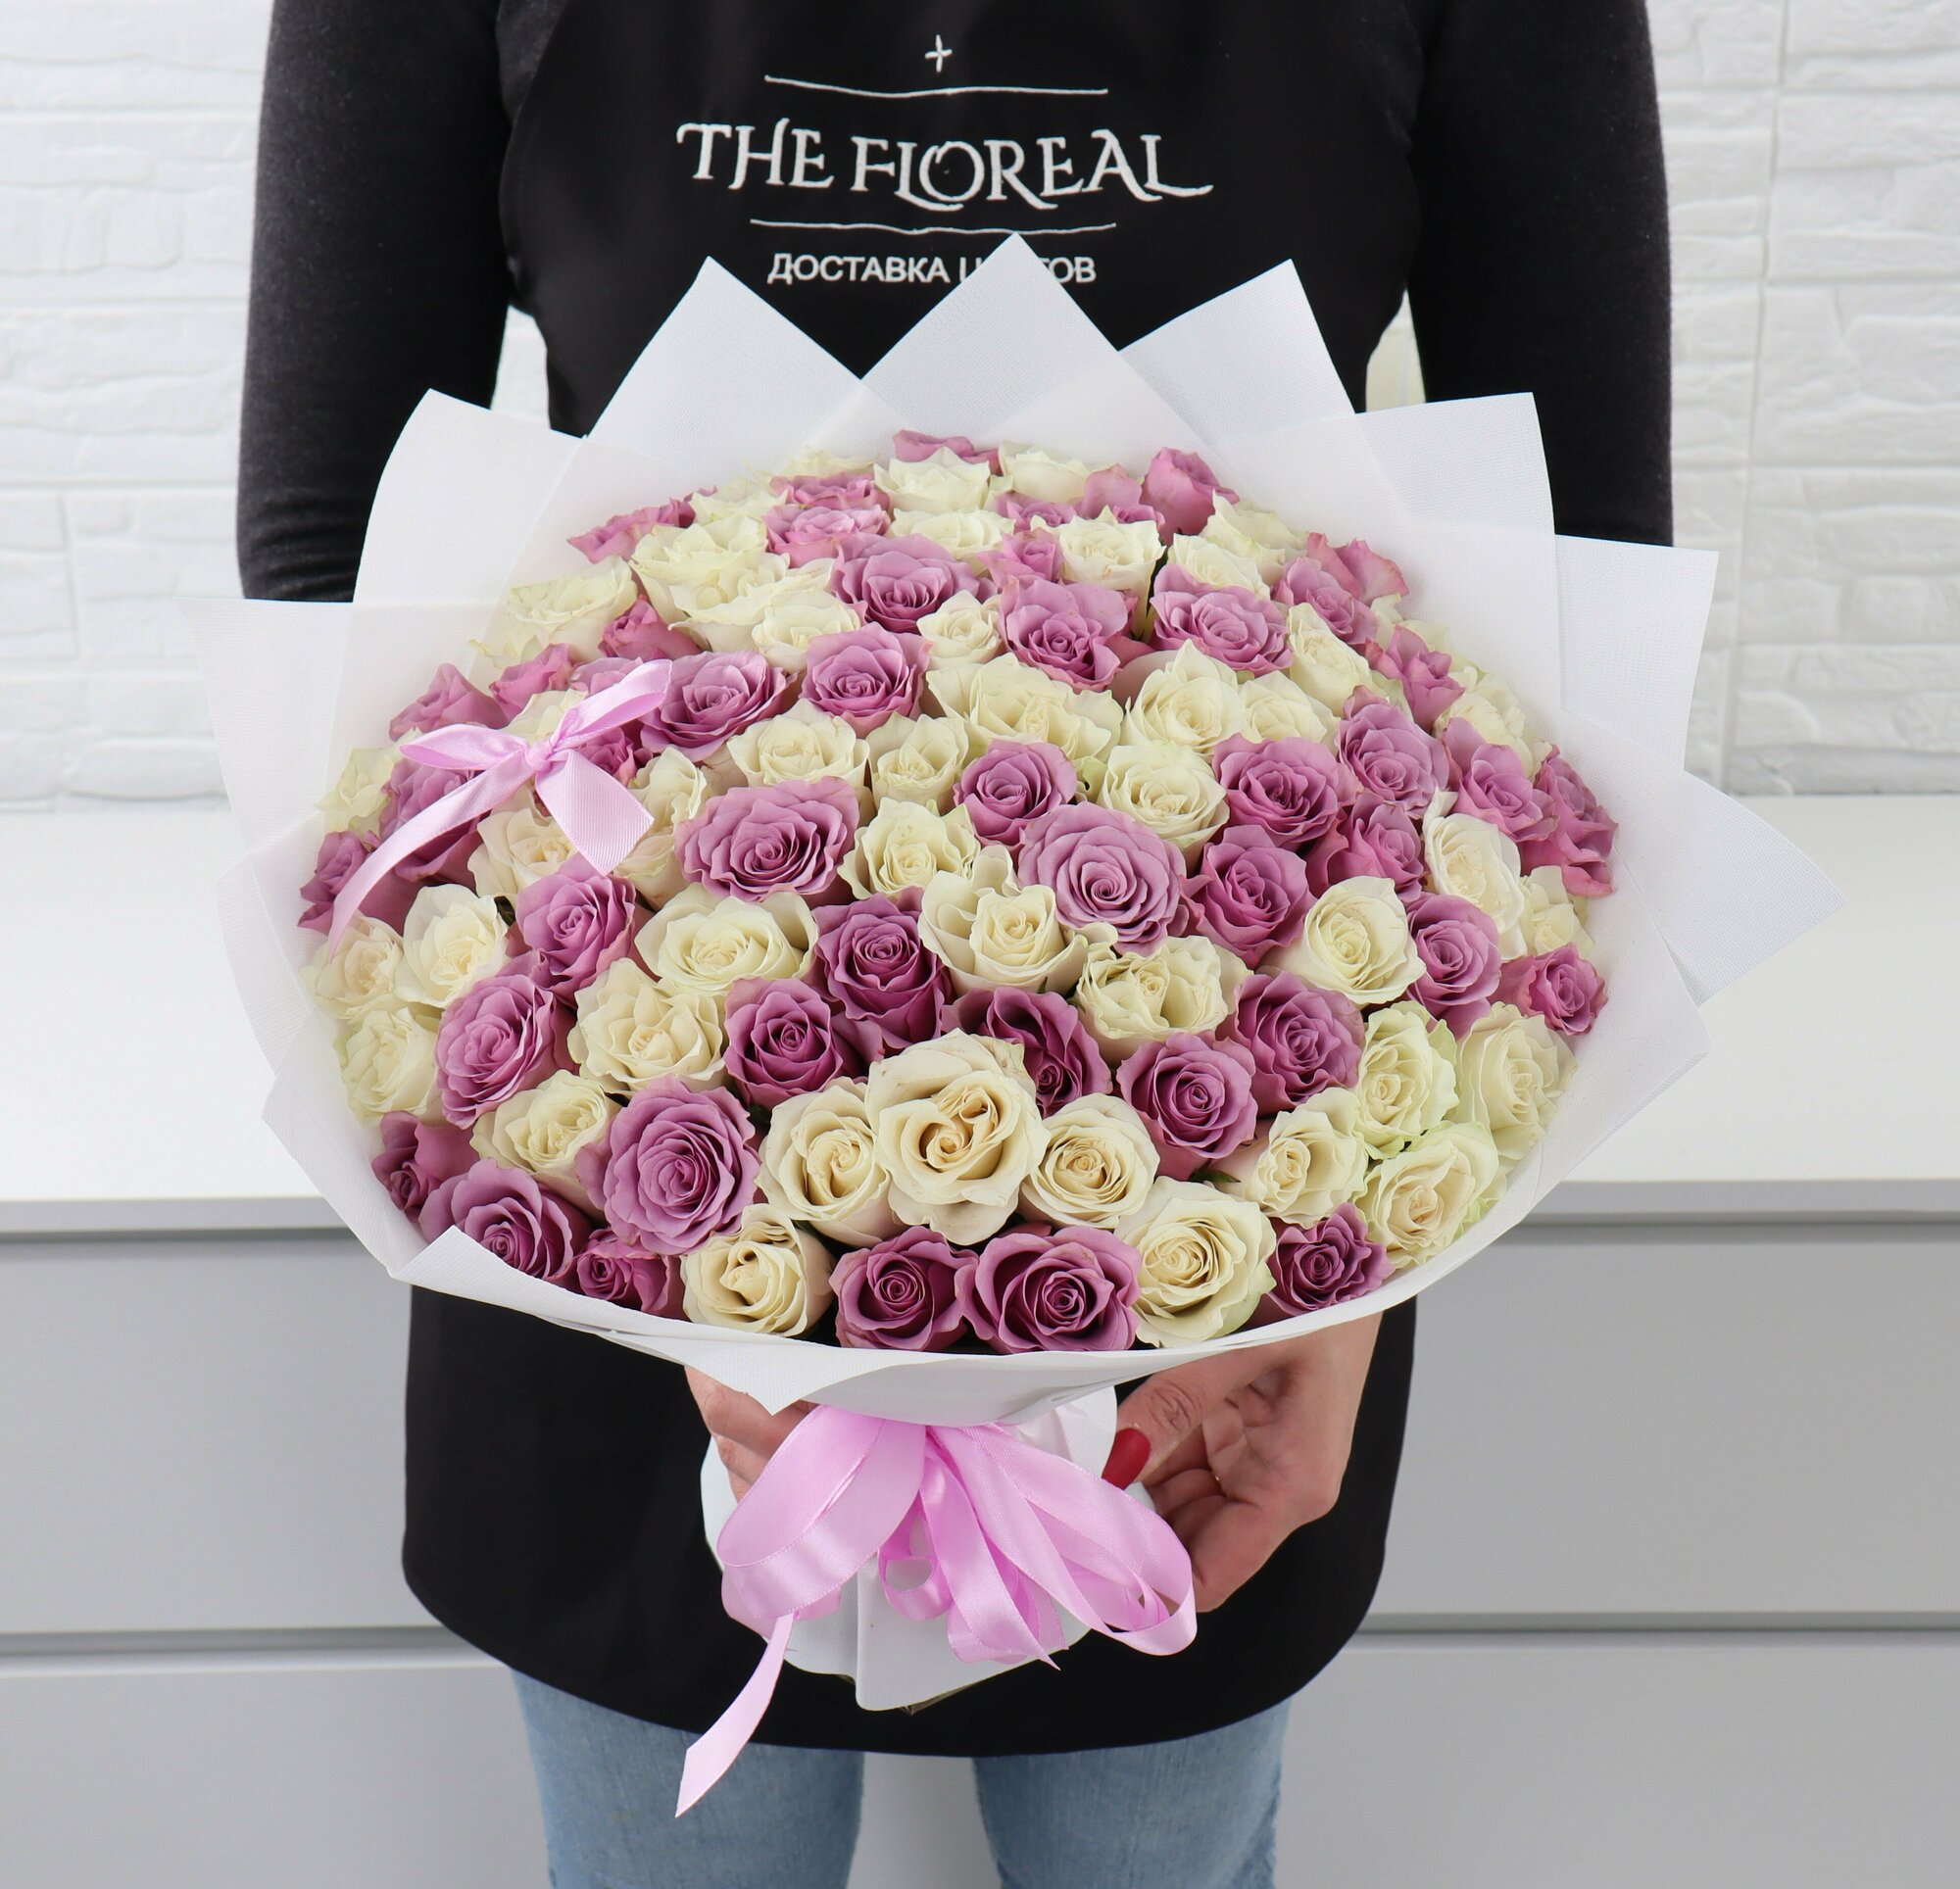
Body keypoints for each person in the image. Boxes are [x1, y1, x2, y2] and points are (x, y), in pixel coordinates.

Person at [238, 4, 1672, 1883]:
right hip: (603, 1149)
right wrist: (634, 1232)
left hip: (1224, 1225)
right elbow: (332, 566)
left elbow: (1579, 570)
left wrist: (1341, 1272)